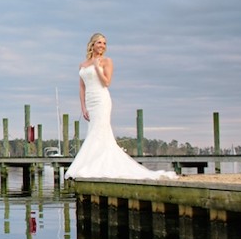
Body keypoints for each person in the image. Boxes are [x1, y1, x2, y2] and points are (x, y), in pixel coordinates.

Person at [64, 33, 178, 180]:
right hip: (90, 102)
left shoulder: (107, 61)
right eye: (99, 43)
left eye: (104, 43)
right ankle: (94, 164)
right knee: (93, 130)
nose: (102, 46)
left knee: (100, 130)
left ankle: (98, 167)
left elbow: (106, 82)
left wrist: (97, 67)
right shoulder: (82, 65)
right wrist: (83, 107)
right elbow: (81, 87)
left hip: (101, 100)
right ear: (92, 44)